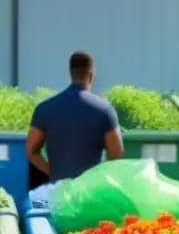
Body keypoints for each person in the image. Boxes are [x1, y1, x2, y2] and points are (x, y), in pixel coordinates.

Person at [26, 51, 124, 183]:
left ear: (71, 73)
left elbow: (31, 151)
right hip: (90, 192)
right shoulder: (104, 110)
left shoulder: (44, 109)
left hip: (58, 191)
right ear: (92, 74)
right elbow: (116, 155)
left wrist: (51, 171)